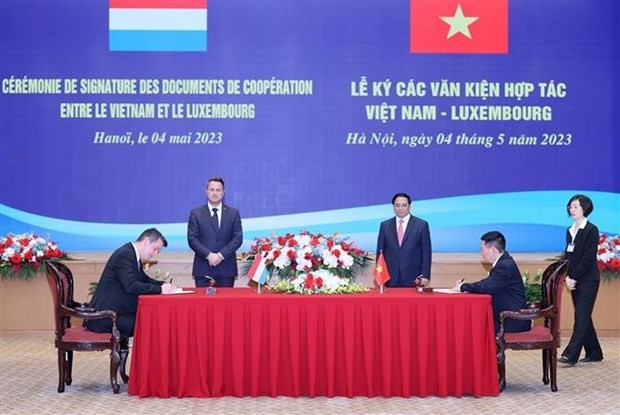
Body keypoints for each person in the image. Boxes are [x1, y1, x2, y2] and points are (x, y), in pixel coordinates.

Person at [86, 228, 175, 339]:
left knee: (153, 319)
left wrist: (163, 285)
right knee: (150, 324)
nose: (155, 254)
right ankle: (146, 356)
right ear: (147, 241)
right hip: (105, 316)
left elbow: (144, 279)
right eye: (155, 249)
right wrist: (161, 290)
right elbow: (131, 286)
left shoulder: (132, 254)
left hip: (118, 312)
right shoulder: (125, 255)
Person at [559, 194, 604, 365]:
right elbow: (568, 256)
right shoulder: (570, 231)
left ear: (585, 209)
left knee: (581, 316)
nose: (572, 209)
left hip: (588, 280)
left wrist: (574, 276)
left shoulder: (591, 230)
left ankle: (571, 354)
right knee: (584, 316)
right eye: (570, 206)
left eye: (576, 206)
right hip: (574, 279)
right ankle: (594, 352)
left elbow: (588, 258)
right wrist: (566, 276)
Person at [457, 231, 530, 333]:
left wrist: (462, 287)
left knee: (471, 326)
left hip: (512, 320)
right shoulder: (504, 261)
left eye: (482, 250)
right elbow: (489, 283)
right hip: (507, 318)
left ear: (492, 250)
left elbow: (487, 286)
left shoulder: (504, 266)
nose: (481, 254)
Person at [188, 176, 243, 287]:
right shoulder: (196, 213)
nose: (214, 193)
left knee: (226, 304)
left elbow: (237, 238)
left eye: (218, 190)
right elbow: (192, 238)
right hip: (203, 267)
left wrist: (220, 255)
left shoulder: (233, 213)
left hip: (226, 268)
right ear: (206, 191)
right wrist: (209, 255)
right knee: (202, 304)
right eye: (212, 190)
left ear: (223, 192)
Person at [376, 192, 432, 287]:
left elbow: (426, 252)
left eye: (404, 205)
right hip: (390, 277)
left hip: (414, 277)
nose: (400, 208)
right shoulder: (385, 226)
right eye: (397, 205)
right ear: (393, 207)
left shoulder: (421, 225)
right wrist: (380, 274)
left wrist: (425, 275)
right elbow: (380, 252)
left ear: (409, 206)